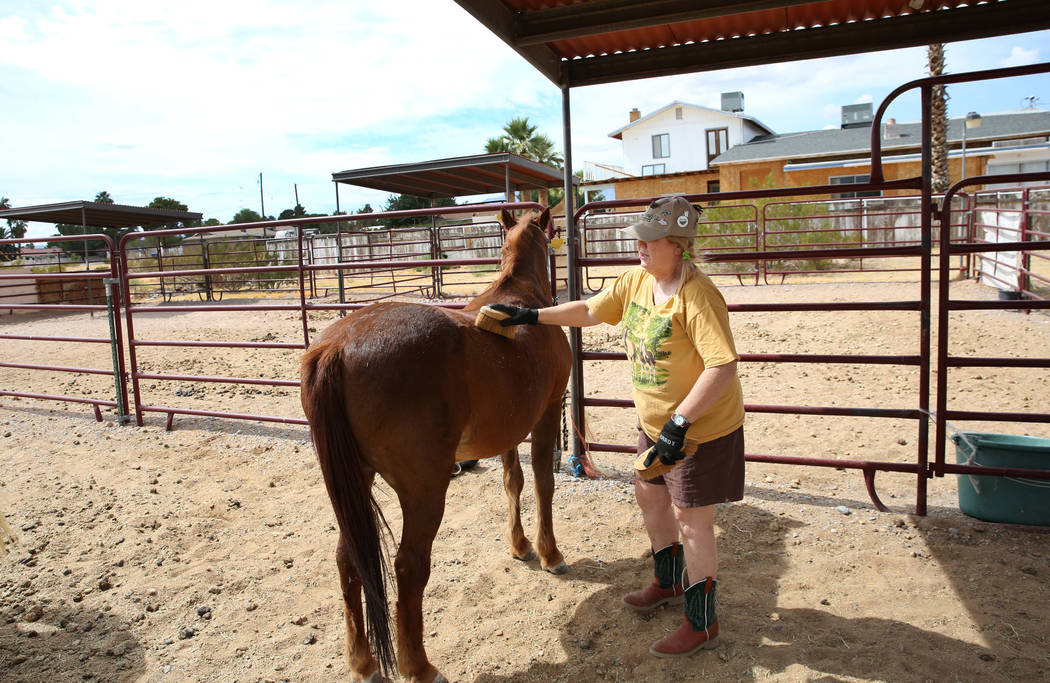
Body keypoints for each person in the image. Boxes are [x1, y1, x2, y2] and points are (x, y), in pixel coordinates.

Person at [491, 196, 745, 657]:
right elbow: (590, 311)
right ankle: (667, 583)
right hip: (659, 426)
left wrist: (681, 423)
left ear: (680, 247)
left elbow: (723, 366)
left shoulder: (697, 295)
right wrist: (531, 316)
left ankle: (702, 621)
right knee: (649, 498)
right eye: (639, 238)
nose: (640, 247)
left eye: (650, 240)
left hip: (700, 431)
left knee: (692, 521)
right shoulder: (635, 282)